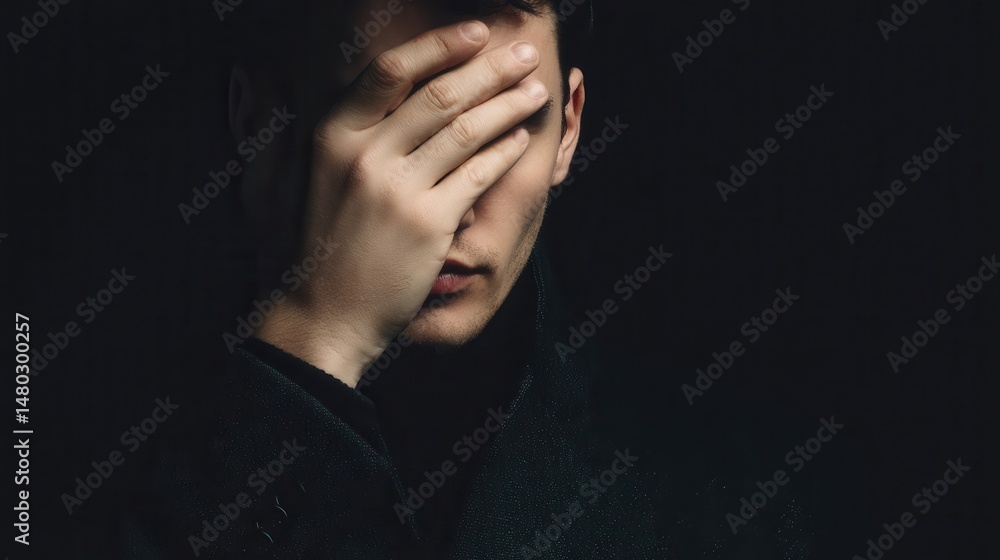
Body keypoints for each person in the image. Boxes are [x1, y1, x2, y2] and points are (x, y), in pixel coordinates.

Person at [122, 1, 819, 558]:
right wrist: (317, 337)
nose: (444, 208)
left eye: (499, 130)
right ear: (259, 124)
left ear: (569, 131)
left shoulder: (766, 493)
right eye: (392, 129)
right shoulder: (52, 433)